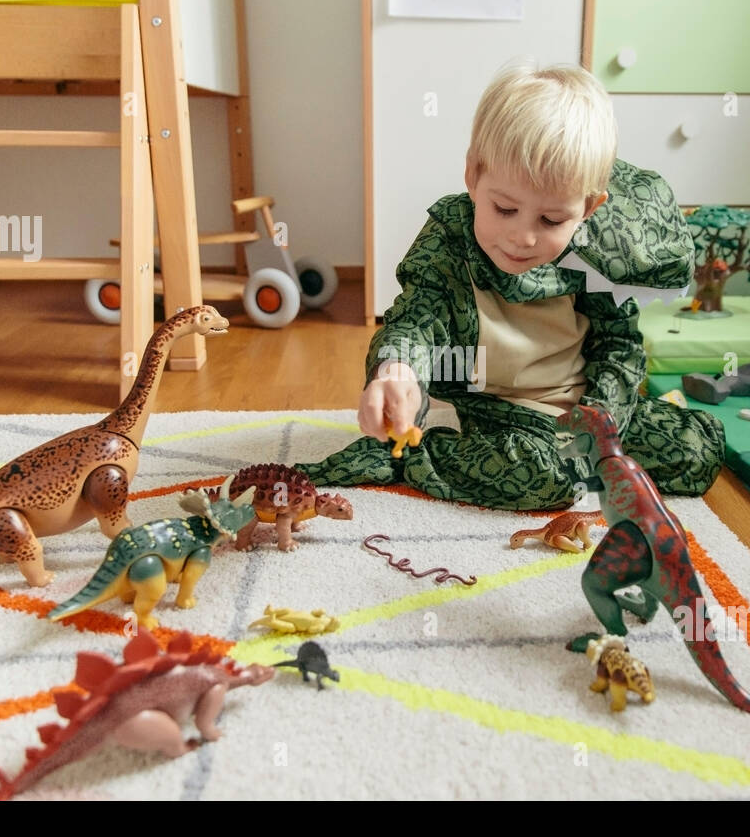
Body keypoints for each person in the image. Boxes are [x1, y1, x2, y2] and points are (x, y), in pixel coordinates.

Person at [295, 60, 725, 510]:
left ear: (589, 209)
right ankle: (412, 455)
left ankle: (578, 459)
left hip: (585, 406)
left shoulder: (594, 254)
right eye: (504, 209)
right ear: (473, 177)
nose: (523, 237)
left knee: (698, 451)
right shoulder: (452, 234)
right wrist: (397, 370)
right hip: (504, 410)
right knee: (548, 478)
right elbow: (417, 318)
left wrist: (599, 422)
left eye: (551, 219)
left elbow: (619, 346)